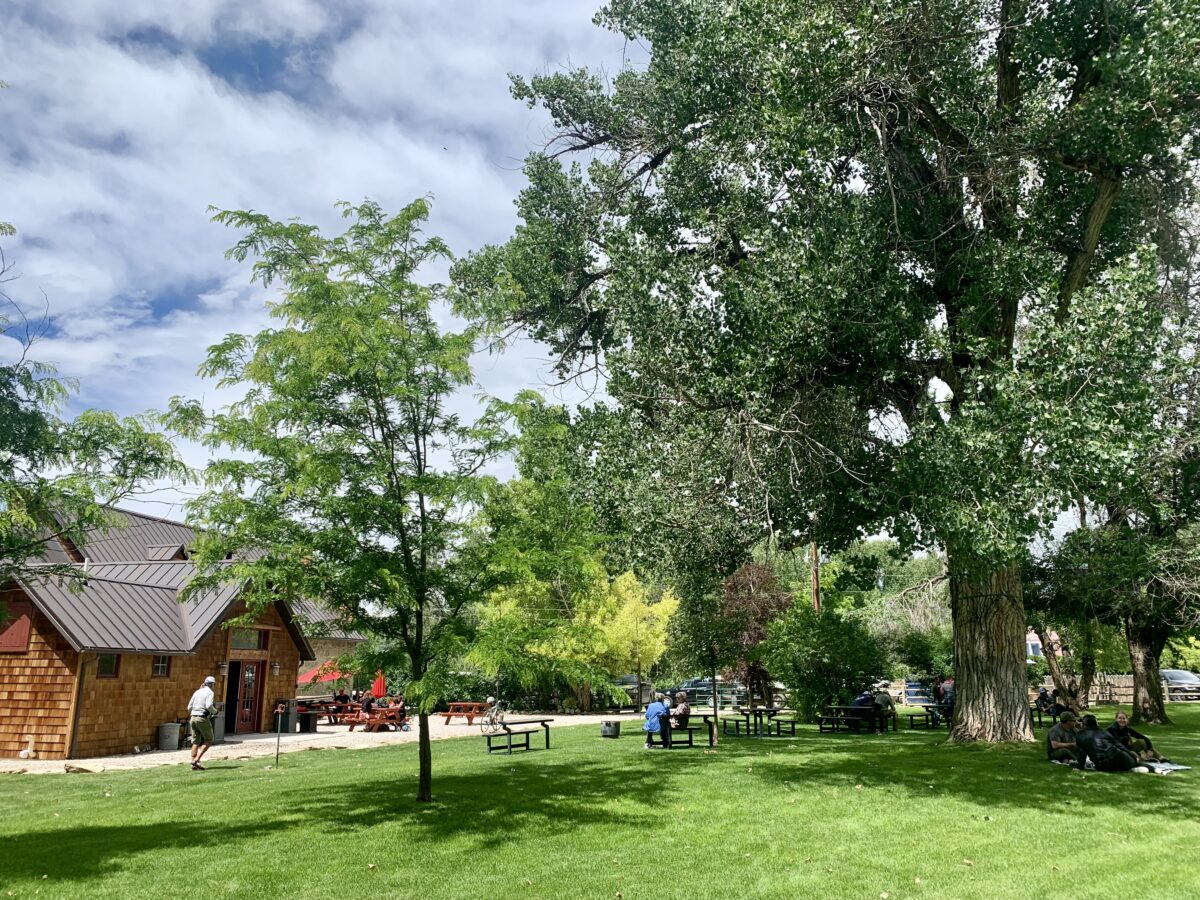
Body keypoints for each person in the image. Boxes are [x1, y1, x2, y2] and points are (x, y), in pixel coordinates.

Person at [1074, 714, 1141, 772]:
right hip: (1120, 759)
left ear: (1084, 724)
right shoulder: (1103, 732)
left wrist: (1080, 767)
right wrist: (1131, 754)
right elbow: (1118, 745)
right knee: (1133, 760)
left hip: (1102, 766)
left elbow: (1081, 753)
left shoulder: (1080, 735)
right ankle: (1139, 766)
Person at [186, 675, 218, 771]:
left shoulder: (197, 692)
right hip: (202, 718)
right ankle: (196, 760)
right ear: (212, 684)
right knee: (209, 739)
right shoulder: (209, 692)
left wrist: (195, 712)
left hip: (192, 718)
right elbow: (208, 706)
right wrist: (215, 711)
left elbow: (189, 707)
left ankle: (193, 763)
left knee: (195, 741)